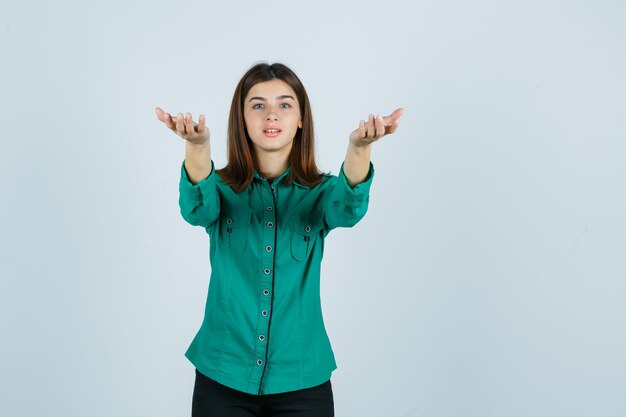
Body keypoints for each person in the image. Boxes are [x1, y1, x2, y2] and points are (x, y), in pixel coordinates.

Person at [155, 62, 403, 417]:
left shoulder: (321, 194)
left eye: (285, 104)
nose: (271, 114)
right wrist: (198, 145)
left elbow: (348, 208)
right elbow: (195, 208)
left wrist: (359, 147)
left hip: (302, 380)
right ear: (241, 119)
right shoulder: (221, 190)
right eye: (257, 105)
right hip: (222, 376)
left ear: (301, 118)